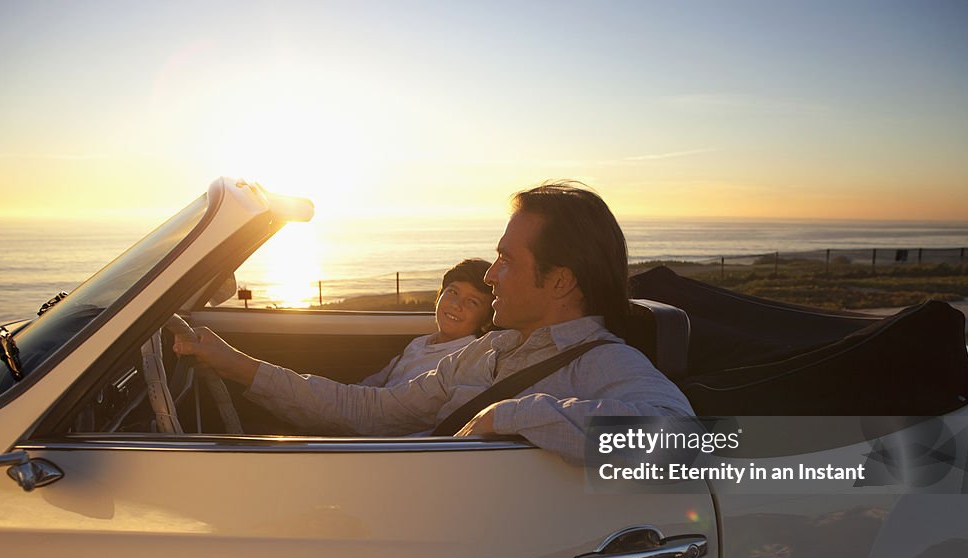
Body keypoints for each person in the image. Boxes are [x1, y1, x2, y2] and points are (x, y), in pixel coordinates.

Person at [174, 181, 694, 463]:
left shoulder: (605, 363)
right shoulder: (487, 350)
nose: (491, 275)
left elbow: (689, 447)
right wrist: (235, 364)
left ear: (560, 281)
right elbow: (372, 412)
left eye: (507, 261)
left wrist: (512, 415)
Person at [361, 259, 493, 388]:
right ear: (439, 296)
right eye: (453, 292)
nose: (456, 305)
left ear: (486, 321)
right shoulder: (420, 343)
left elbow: (400, 404)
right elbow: (379, 380)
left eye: (472, 302)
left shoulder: (464, 363)